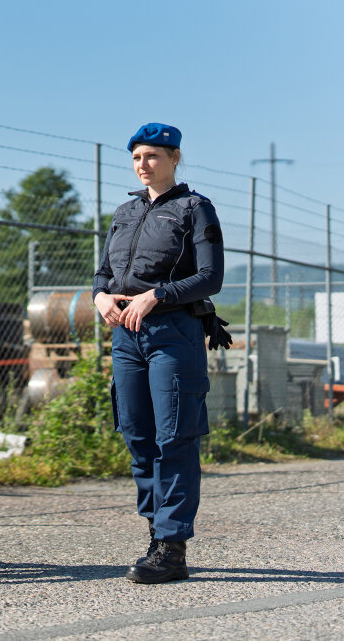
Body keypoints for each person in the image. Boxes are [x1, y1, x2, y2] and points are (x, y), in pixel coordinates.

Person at [92, 123, 224, 584]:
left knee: (174, 438)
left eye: (152, 156)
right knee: (138, 435)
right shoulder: (125, 212)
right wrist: (100, 297)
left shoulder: (195, 209)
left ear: (174, 159)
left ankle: (172, 547)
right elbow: (104, 272)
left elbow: (210, 278)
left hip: (173, 333)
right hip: (126, 336)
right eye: (136, 157)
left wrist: (158, 295)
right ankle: (156, 535)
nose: (143, 164)